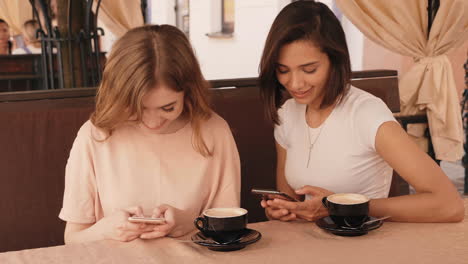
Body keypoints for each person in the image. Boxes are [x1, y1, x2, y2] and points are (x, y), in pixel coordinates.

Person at [258, 1, 464, 223]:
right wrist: (283, 210)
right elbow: (292, 199)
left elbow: (448, 205)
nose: (295, 83)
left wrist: (342, 206)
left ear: (335, 61)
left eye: (309, 69)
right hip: (307, 246)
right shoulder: (288, 114)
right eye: (283, 70)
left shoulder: (366, 114)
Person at [59, 24, 241, 243]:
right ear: (118, 95)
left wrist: (189, 223)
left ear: (188, 91)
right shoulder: (95, 136)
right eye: (138, 108)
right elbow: (73, 239)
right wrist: (107, 229)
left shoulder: (214, 132)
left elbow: (228, 231)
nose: (153, 123)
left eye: (168, 108)